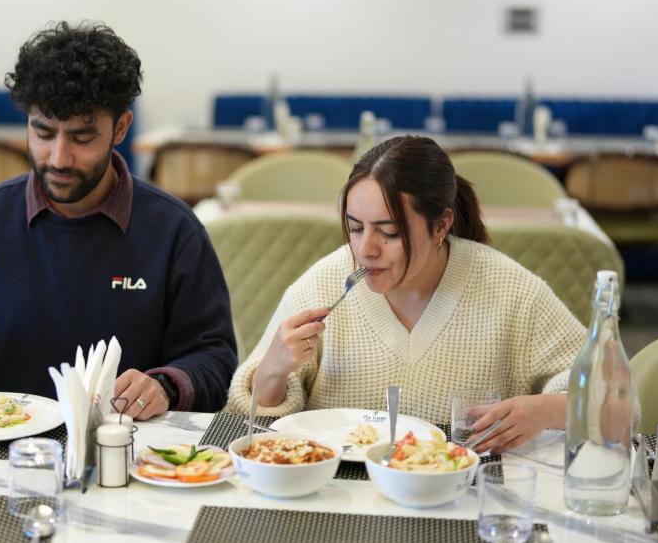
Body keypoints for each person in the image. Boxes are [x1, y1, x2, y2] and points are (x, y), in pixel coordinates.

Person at [0, 21, 237, 419]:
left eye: (82, 138)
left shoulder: (173, 230)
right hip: (1, 440)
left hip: (127, 441)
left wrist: (166, 385)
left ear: (121, 128)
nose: (59, 158)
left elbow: (215, 359)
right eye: (44, 133)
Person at [226, 136, 586, 453]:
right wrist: (272, 371)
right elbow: (249, 425)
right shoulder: (325, 282)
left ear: (441, 225)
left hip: (462, 491)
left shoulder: (511, 290)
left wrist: (546, 410)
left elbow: (608, 395)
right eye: (355, 228)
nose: (366, 249)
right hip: (334, 487)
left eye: (390, 233)